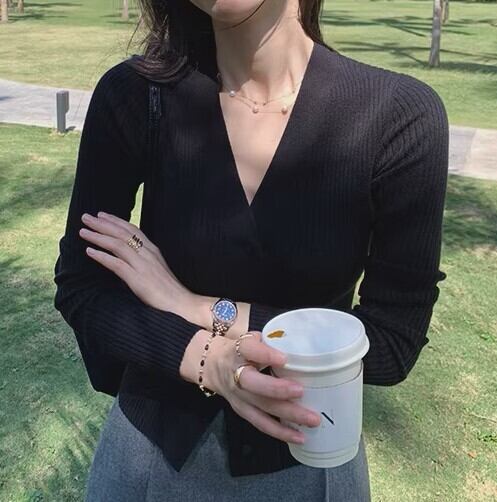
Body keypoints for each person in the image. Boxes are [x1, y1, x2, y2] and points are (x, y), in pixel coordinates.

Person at [53, 0, 449, 500]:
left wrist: (192, 306)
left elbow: (391, 343)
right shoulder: (136, 94)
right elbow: (82, 287)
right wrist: (208, 360)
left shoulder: (398, 116)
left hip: (312, 462)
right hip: (146, 462)